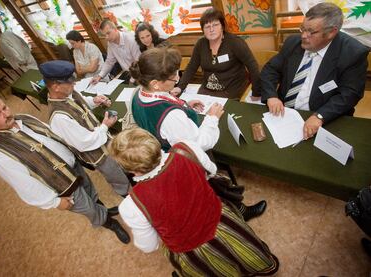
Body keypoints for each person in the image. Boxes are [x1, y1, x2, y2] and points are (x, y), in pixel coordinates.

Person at [109, 128, 279, 276]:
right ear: (153, 141)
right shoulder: (186, 148)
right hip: (222, 220)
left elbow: (149, 246)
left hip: (193, 250)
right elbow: (211, 172)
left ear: (130, 169)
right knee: (247, 253)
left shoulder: (131, 205)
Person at [129, 47, 267, 222]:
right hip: (185, 162)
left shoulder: (139, 93)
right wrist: (212, 118)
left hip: (167, 148)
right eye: (174, 77)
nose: (177, 79)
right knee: (215, 188)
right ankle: (239, 212)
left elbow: (163, 101)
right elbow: (200, 144)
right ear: (156, 83)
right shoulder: (172, 118)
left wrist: (184, 104)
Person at [0, 95, 130, 244]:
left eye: (5, 108)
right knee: (89, 209)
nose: (6, 114)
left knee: (90, 192)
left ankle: (104, 211)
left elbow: (50, 134)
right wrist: (54, 202)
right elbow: (25, 186)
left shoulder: (23, 118)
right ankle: (109, 223)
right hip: (62, 187)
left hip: (73, 166)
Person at [260, 2, 369, 140]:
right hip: (284, 115)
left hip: (325, 118)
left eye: (311, 32)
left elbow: (349, 94)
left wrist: (320, 116)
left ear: (331, 32)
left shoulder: (353, 53)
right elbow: (270, 69)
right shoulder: (293, 43)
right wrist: (271, 96)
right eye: (302, 29)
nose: (304, 36)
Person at [41, 60, 131, 197]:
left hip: (105, 140)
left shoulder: (67, 93)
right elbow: (85, 142)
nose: (74, 83)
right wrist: (105, 126)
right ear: (56, 87)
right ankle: (130, 196)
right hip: (99, 155)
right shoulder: (59, 118)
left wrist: (94, 101)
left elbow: (81, 102)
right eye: (69, 81)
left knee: (124, 167)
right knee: (118, 178)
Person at [171, 8, 261, 99]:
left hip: (232, 90)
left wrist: (256, 92)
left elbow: (252, 66)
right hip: (208, 89)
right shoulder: (201, 44)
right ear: (203, 30)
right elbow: (191, 67)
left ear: (222, 26)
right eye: (207, 27)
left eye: (215, 25)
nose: (211, 30)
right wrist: (180, 87)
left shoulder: (235, 43)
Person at [91, 19, 141, 84]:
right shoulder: (110, 43)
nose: (107, 37)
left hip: (139, 74)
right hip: (127, 73)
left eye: (108, 33)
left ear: (115, 29)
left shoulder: (130, 39)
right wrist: (99, 76)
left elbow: (138, 63)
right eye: (104, 35)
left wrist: (131, 80)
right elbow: (109, 62)